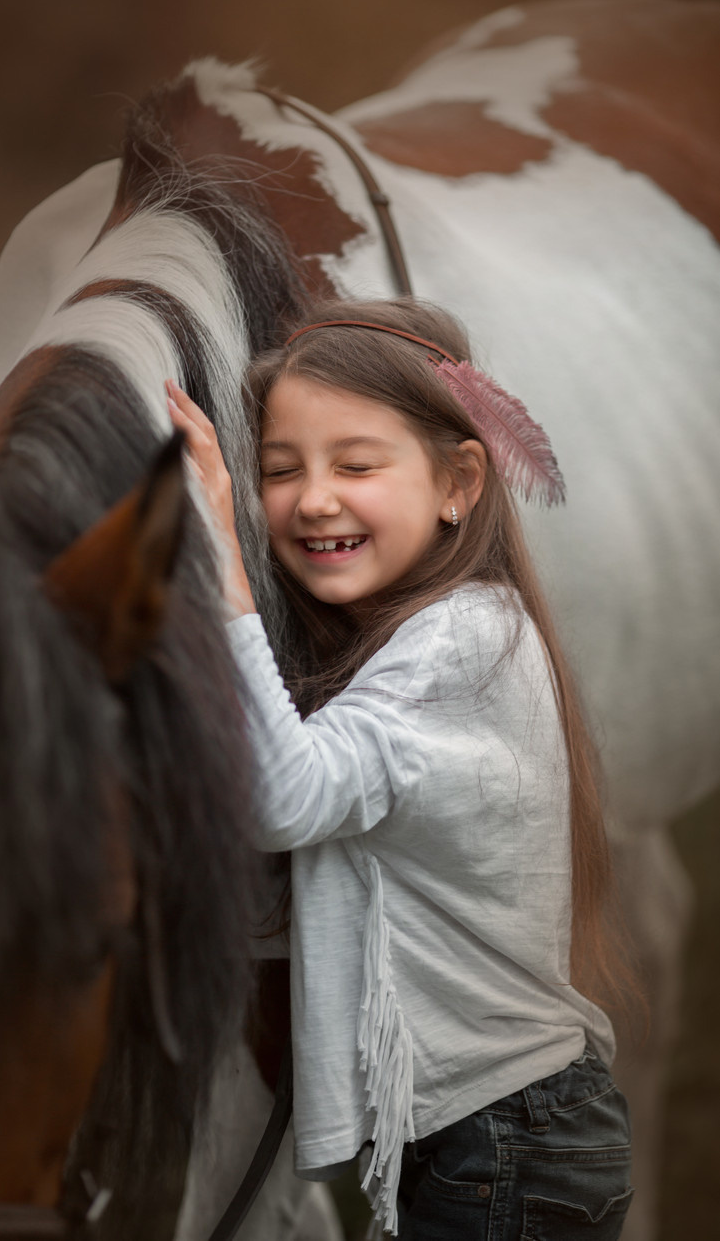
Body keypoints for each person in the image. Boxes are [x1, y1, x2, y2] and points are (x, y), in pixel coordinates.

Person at [166, 297, 633, 1240]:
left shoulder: (458, 642)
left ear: (459, 481)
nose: (314, 498)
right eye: (277, 471)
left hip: (504, 1140)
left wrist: (221, 557)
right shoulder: (436, 638)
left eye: (356, 464)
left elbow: (280, 797)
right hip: (500, 1139)